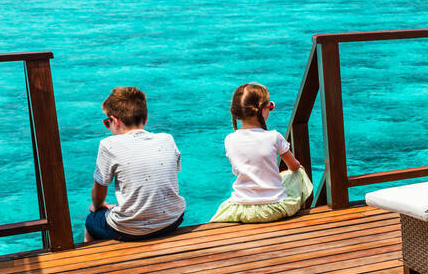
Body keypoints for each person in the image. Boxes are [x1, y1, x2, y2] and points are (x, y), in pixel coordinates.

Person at [85, 86, 186, 242]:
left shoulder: (109, 144)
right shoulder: (167, 139)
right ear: (145, 119)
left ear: (115, 121)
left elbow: (99, 191)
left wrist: (98, 206)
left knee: (91, 220)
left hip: (131, 230)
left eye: (107, 123)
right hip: (173, 219)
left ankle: (94, 264)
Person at [210, 82, 314, 223]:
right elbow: (294, 166)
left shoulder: (229, 139)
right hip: (274, 208)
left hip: (243, 209)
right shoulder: (274, 136)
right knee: (298, 174)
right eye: (270, 107)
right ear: (263, 110)